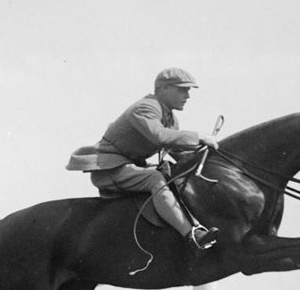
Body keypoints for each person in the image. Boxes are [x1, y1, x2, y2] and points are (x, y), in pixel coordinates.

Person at [66, 67, 221, 249]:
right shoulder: (146, 107)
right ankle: (192, 235)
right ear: (163, 89)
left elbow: (174, 150)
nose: (187, 96)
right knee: (154, 178)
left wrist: (203, 154)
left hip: (127, 168)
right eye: (182, 89)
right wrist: (200, 137)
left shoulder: (170, 118)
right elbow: (161, 137)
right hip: (110, 170)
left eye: (188, 91)